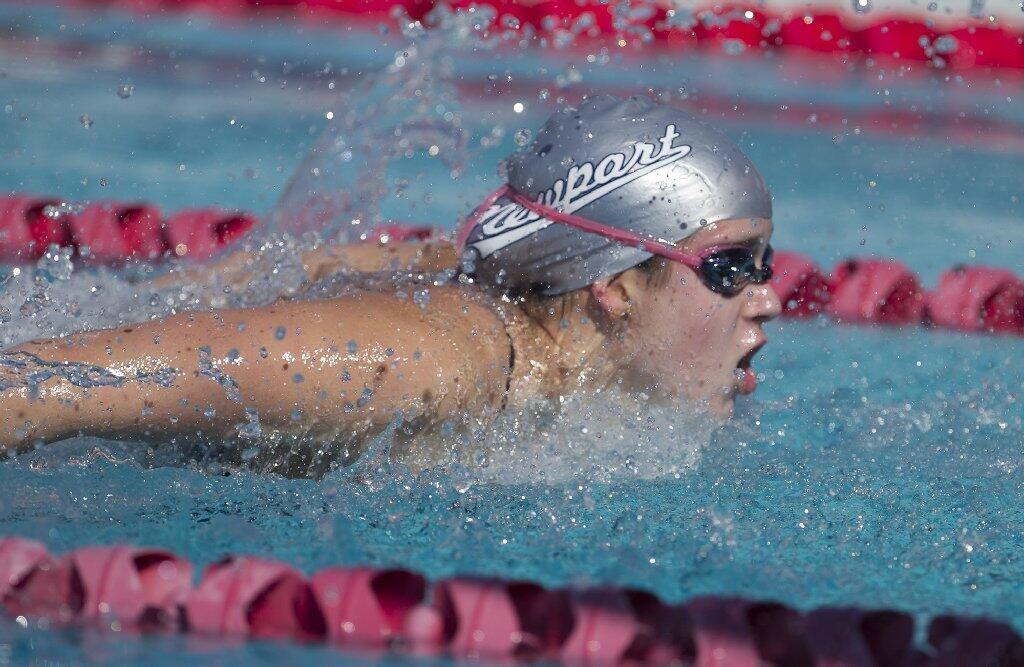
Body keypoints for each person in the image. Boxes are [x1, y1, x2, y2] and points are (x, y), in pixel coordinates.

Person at [0, 96, 780, 474]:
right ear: (612, 286)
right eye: (730, 268)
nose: (769, 298)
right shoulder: (416, 365)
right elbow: (50, 383)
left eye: (767, 266)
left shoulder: (549, 354)